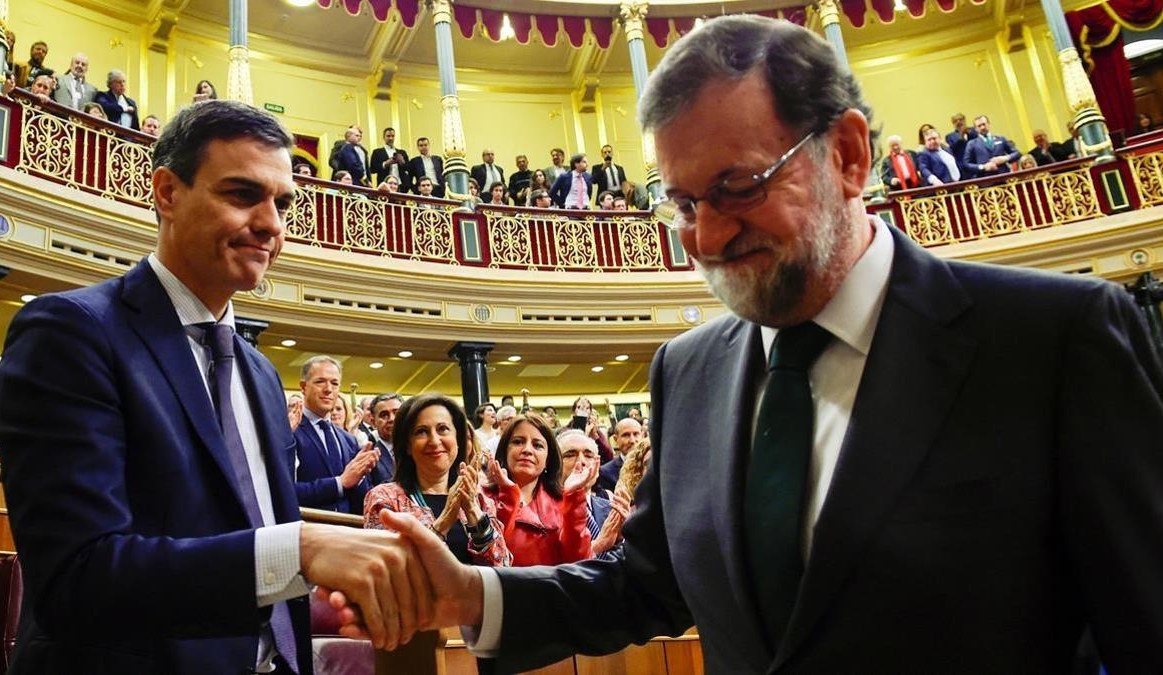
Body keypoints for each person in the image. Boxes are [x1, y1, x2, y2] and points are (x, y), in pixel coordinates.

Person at [324, 15, 1163, 674]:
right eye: (683, 203)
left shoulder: (1055, 340)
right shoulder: (689, 370)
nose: (709, 234)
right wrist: (472, 592)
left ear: (847, 153)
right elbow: (644, 585)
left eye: (739, 187)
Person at [0, 100, 434, 673]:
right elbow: (79, 575)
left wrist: (321, 584)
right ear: (168, 193)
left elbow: (254, 548)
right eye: (243, 194)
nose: (272, 224)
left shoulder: (261, 374)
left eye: (283, 203)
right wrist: (302, 551)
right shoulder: (71, 334)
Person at [363, 394, 510, 567]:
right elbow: (391, 570)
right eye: (421, 432)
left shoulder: (478, 497)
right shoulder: (384, 499)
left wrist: (473, 512)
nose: (434, 441)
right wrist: (443, 522)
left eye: (442, 429)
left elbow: (503, 567)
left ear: (457, 440)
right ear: (408, 445)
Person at [484, 414, 596, 566]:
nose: (527, 450)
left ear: (548, 459)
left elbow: (579, 562)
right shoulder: (483, 497)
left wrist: (574, 498)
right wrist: (509, 495)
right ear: (505, 451)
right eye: (518, 442)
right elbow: (489, 558)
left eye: (537, 445)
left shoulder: (564, 501)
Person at [293, 356, 377, 514]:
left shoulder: (348, 439)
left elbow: (358, 499)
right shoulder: (288, 432)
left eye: (334, 383)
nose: (328, 389)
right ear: (303, 387)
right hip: (307, 530)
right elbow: (284, 492)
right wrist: (339, 483)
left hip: (347, 530)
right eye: (320, 381)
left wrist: (361, 475)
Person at [557, 429, 630, 561]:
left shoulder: (611, 508)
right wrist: (598, 546)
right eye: (570, 455)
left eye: (589, 456)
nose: (581, 461)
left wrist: (626, 537)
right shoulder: (544, 512)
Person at [369, 127, 411, 192]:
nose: (390, 138)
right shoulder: (377, 152)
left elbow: (408, 168)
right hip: (384, 184)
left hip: (401, 185)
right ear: (384, 137)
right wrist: (385, 164)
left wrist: (402, 161)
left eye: (392, 136)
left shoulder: (402, 152)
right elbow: (372, 169)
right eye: (388, 136)